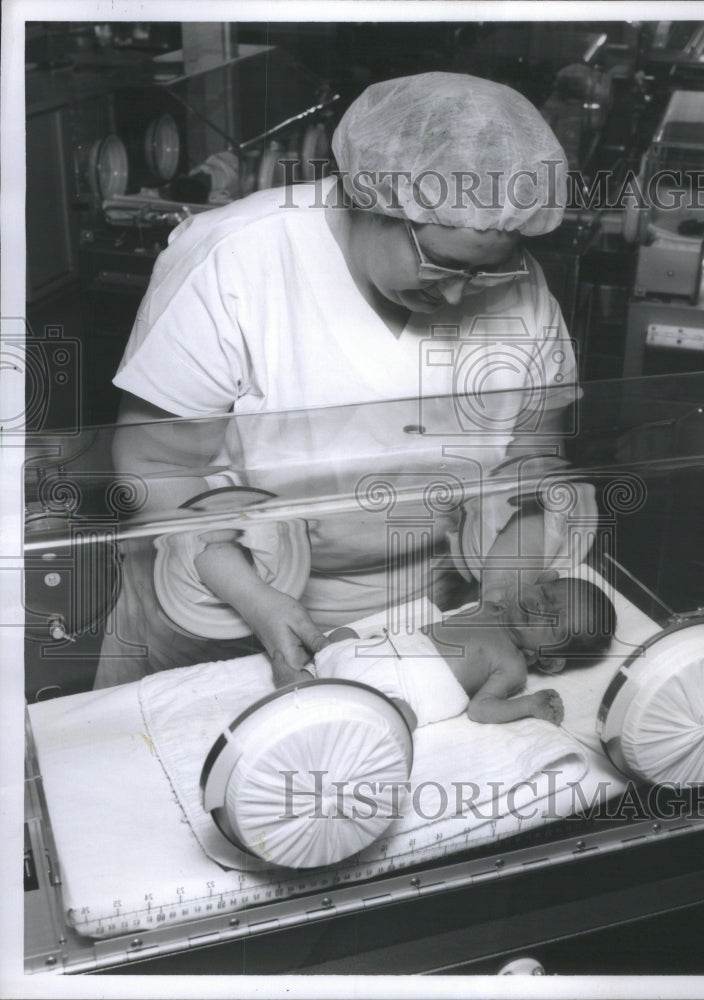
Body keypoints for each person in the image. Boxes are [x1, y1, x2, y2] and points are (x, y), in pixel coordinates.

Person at [95, 71, 595, 691]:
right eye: (443, 264)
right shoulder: (239, 260)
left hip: (426, 603)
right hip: (221, 597)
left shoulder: (518, 287)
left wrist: (509, 580)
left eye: (485, 272)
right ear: (370, 201)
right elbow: (156, 465)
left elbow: (533, 458)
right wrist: (258, 601)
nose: (461, 292)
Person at [308, 576, 617, 731]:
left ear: (549, 658)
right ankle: (307, 675)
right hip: (381, 649)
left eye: (553, 621)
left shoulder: (512, 665)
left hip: (402, 689)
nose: (540, 608)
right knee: (343, 637)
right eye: (546, 595)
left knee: (401, 719)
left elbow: (481, 709)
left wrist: (528, 705)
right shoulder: (491, 607)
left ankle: (316, 707)